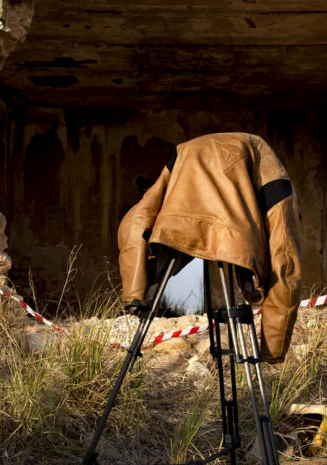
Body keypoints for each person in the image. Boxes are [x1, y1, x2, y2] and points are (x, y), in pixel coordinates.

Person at [117, 132, 302, 362]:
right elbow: (285, 261)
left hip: (178, 228)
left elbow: (137, 220)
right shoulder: (266, 162)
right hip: (236, 243)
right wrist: (272, 350)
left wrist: (134, 294)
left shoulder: (184, 152)